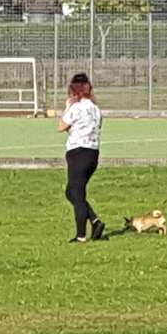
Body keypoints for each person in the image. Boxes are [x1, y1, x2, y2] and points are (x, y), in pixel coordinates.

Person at [57, 72, 105, 243]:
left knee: (76, 193)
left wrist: (67, 107)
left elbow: (61, 126)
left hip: (78, 152)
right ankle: (95, 220)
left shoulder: (76, 108)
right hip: (93, 153)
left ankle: (81, 235)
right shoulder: (96, 109)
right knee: (72, 192)